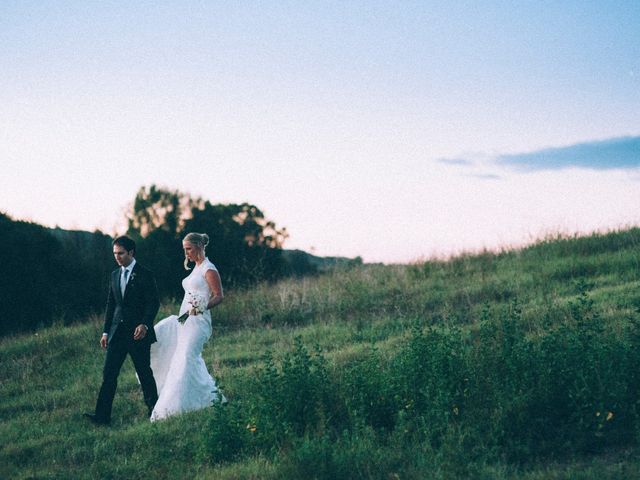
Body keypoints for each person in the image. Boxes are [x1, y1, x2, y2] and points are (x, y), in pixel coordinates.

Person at [84, 236, 160, 426]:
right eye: (115, 253)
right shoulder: (114, 275)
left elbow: (153, 303)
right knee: (109, 375)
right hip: (117, 334)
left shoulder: (145, 274)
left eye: (121, 253)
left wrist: (145, 324)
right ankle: (102, 417)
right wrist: (105, 332)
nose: (117, 257)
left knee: (144, 373)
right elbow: (111, 304)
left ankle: (155, 412)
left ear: (131, 253)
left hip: (138, 333)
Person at [149, 232, 225, 421]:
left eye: (189, 249)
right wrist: (182, 318)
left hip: (199, 323)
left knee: (186, 358)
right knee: (168, 346)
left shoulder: (208, 269)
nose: (186, 253)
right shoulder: (196, 268)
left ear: (199, 246)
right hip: (184, 320)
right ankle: (209, 397)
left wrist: (202, 306)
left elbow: (218, 295)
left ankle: (176, 406)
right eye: (185, 249)